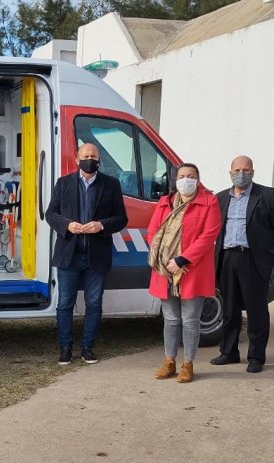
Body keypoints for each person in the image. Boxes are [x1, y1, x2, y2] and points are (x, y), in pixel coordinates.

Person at [44, 143, 128, 365]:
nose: (89, 159)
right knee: (64, 304)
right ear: (76, 159)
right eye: (86, 156)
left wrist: (100, 225)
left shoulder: (111, 184)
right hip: (68, 255)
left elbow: (121, 218)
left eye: (93, 156)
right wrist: (67, 225)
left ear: (99, 160)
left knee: (93, 303)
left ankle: (87, 348)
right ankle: (65, 348)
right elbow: (50, 214)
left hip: (96, 256)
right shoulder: (63, 183)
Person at [211, 156, 274, 373]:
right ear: (230, 172)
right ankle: (229, 352)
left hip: (253, 258)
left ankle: (256, 356)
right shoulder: (220, 198)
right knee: (229, 308)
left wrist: (263, 246)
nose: (241, 174)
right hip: (227, 258)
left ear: (253, 172)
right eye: (237, 170)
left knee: (256, 310)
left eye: (246, 170)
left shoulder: (268, 195)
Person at [148, 163, 220, 383]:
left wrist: (182, 259)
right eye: (181, 176)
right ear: (175, 179)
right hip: (165, 270)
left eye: (190, 176)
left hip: (192, 269)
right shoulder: (164, 203)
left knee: (190, 320)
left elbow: (209, 235)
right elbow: (153, 233)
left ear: (198, 179)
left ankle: (188, 364)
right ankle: (169, 361)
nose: (185, 180)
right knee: (170, 319)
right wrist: (164, 259)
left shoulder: (209, 202)